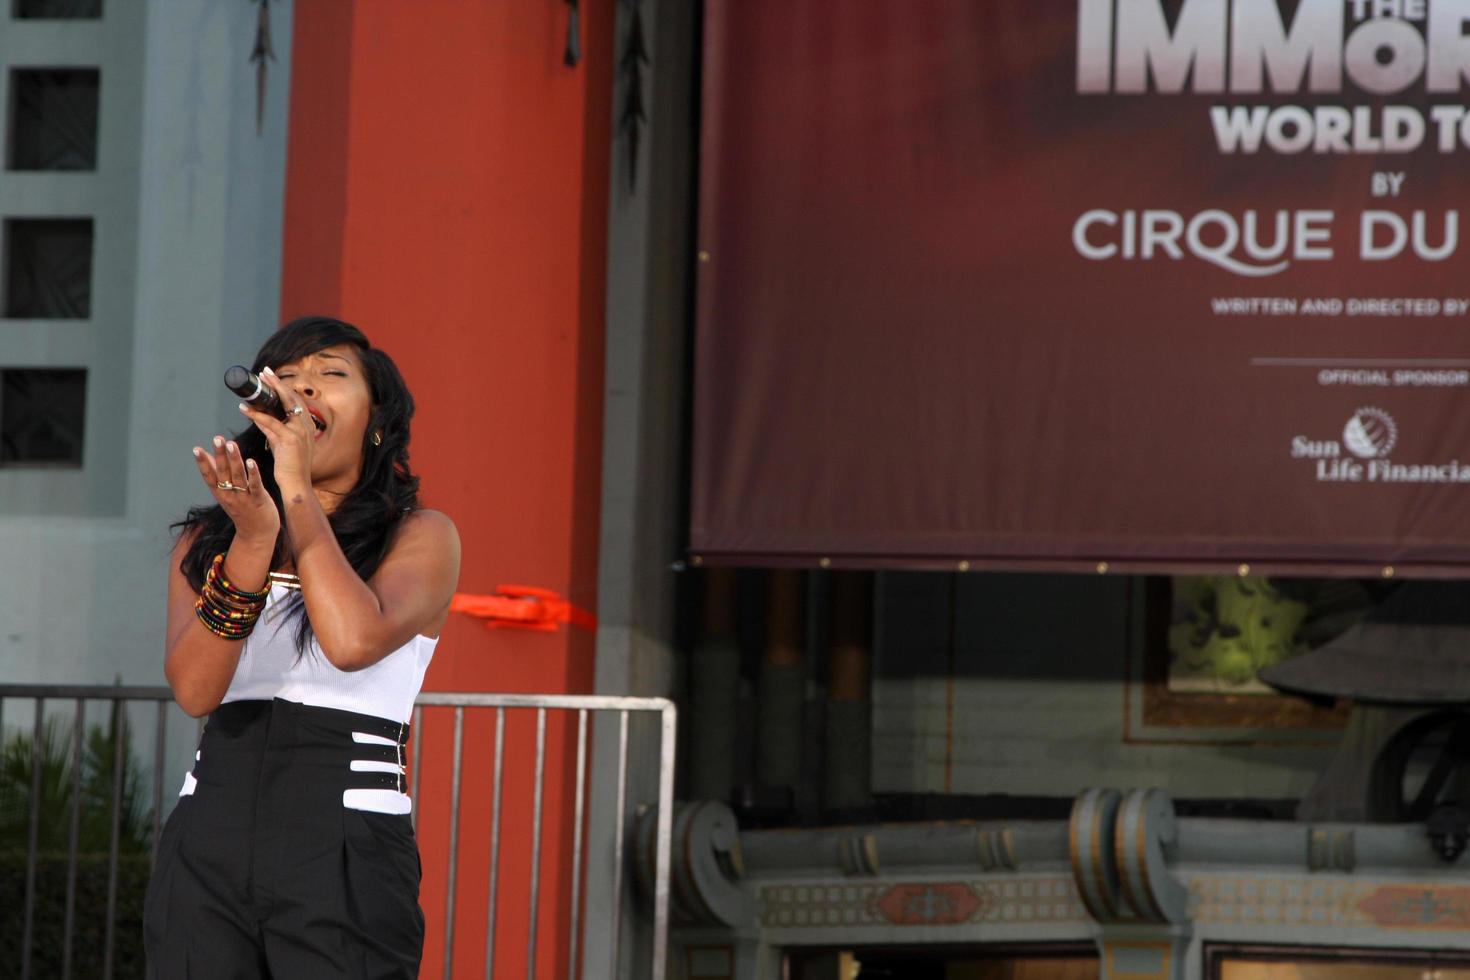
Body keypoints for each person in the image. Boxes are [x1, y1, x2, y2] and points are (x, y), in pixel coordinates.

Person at [144, 316, 461, 979]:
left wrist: (296, 490)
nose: (303, 388)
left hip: (343, 834)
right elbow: (197, 690)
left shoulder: (421, 536)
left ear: (377, 421)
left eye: (331, 375)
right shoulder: (213, 541)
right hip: (212, 828)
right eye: (285, 378)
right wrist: (254, 542)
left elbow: (351, 642)